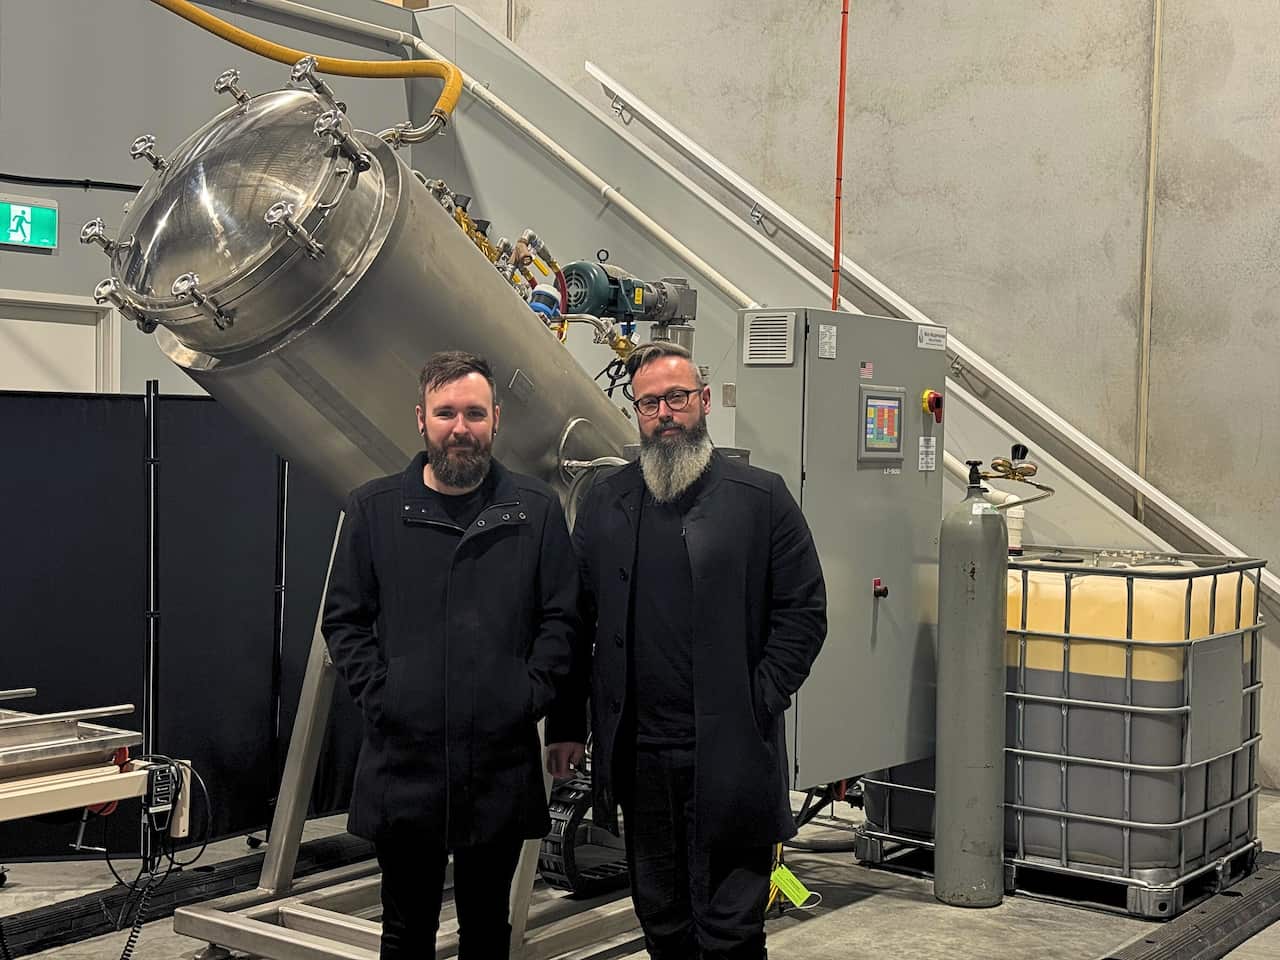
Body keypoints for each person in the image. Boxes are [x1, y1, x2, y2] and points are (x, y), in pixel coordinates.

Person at [547, 341, 827, 959]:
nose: (664, 414)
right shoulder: (606, 504)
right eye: (649, 403)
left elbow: (803, 613)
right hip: (641, 758)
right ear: (637, 413)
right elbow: (574, 620)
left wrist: (760, 698)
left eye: (677, 398)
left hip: (730, 752)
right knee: (663, 921)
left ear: (703, 402)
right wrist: (565, 726)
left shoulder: (761, 499)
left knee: (729, 927)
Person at [322, 350, 578, 959]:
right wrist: (385, 696)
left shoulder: (535, 512)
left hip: (499, 759)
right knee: (405, 930)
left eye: (473, 413)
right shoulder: (373, 510)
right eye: (446, 413)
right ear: (421, 419)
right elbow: (345, 620)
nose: (459, 427)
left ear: (496, 421)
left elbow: (563, 620)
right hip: (404, 760)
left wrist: (528, 694)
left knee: (488, 929)